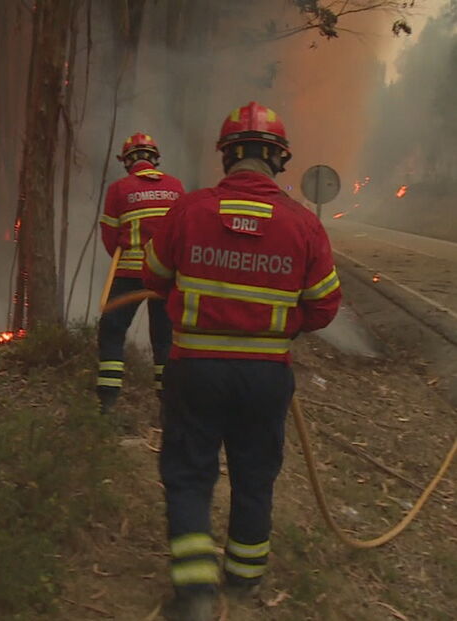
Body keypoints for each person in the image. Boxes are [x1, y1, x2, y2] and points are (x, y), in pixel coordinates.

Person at [141, 102, 341, 620]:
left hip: (194, 369)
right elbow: (323, 307)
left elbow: (155, 278)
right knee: (255, 474)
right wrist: (279, 326)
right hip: (265, 377)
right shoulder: (304, 225)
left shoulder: (188, 210)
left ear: (227, 155)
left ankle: (194, 595)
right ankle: (245, 580)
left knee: (189, 473)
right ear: (279, 160)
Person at [97, 133, 185, 415]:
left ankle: (108, 402)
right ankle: (166, 404)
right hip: (168, 277)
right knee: (164, 338)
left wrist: (125, 257)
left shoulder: (119, 189)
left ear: (127, 161)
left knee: (112, 329)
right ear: (154, 159)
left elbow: (110, 237)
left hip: (129, 275)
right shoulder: (175, 187)